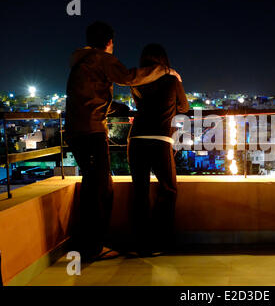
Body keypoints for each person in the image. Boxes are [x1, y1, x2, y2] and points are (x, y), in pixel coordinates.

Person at [65, 21, 182, 261]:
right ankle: (93, 247)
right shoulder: (101, 59)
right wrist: (164, 70)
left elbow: (90, 97)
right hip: (92, 131)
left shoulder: (81, 62)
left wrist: (115, 106)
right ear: (108, 42)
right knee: (101, 189)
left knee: (97, 186)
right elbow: (129, 77)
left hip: (80, 131)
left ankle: (99, 243)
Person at [127, 43, 189, 254]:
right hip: (160, 139)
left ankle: (140, 243)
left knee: (140, 192)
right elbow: (184, 107)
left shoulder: (136, 82)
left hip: (136, 139)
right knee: (168, 189)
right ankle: (160, 241)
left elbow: (139, 105)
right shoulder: (172, 79)